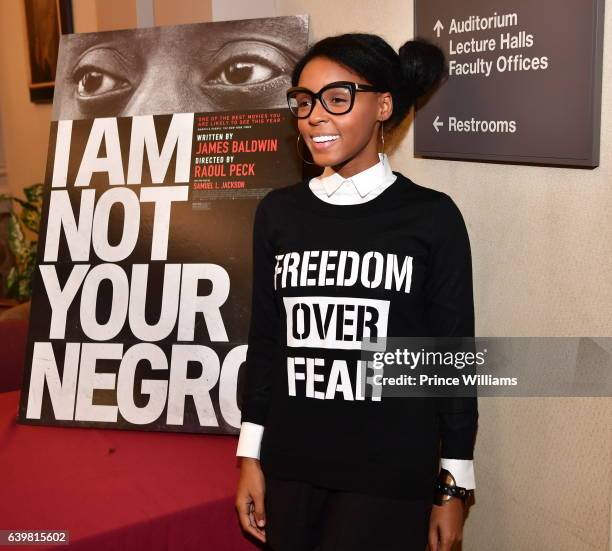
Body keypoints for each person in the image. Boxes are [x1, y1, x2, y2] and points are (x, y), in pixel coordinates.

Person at [235, 32, 478, 551]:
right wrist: (250, 456)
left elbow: (454, 359)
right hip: (292, 467)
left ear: (383, 105)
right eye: (303, 101)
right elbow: (267, 344)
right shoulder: (278, 214)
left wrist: (453, 486)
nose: (315, 116)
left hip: (387, 475)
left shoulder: (432, 218)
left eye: (337, 98)